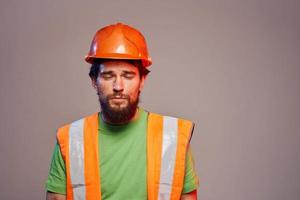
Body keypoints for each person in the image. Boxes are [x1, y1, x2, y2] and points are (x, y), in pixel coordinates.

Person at [46, 22, 199, 200]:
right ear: (94, 81)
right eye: (108, 76)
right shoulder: (71, 139)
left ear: (142, 80)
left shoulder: (173, 137)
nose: (118, 86)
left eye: (128, 76)